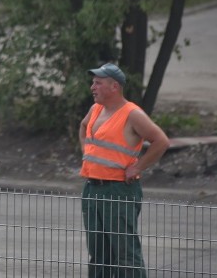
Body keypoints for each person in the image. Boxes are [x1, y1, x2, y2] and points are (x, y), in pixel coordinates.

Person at [79, 63, 170, 277]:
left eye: (98, 83)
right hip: (92, 188)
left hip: (119, 191)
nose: (93, 87)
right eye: (93, 82)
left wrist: (138, 166)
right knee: (99, 254)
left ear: (114, 87)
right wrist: (86, 151)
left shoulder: (132, 114)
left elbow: (161, 141)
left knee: (125, 255)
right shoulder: (95, 109)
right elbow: (83, 127)